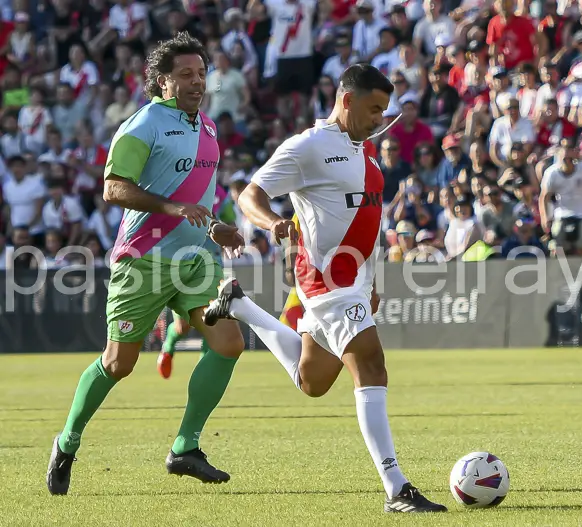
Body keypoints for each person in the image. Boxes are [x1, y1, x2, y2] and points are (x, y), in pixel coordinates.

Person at [202, 64, 447, 513]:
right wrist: (274, 222)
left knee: (313, 382)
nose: (380, 119)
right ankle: (397, 488)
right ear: (346, 100)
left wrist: (372, 282)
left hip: (355, 282)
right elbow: (250, 196)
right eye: (374, 109)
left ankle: (241, 306)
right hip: (325, 280)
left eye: (385, 111)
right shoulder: (308, 147)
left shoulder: (367, 154)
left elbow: (370, 224)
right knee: (371, 364)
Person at [46, 33, 247, 496]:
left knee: (229, 342)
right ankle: (67, 441)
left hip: (197, 258)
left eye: (201, 73)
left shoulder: (209, 128)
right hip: (144, 259)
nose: (197, 82)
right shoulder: (143, 124)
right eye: (186, 75)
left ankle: (185, 446)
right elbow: (113, 188)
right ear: (163, 82)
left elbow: (197, 199)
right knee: (119, 364)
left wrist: (216, 226)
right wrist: (174, 209)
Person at [157, 182, 238, 379]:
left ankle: (204, 371)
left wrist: (226, 230)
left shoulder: (221, 195)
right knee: (182, 326)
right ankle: (168, 347)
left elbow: (231, 220)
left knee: (213, 320)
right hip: (182, 261)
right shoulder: (180, 185)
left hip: (212, 262)